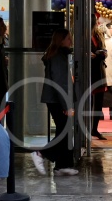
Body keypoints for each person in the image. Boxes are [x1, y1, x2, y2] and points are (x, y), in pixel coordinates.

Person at [32, 29, 79, 176]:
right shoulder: (58, 57)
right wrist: (67, 105)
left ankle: (62, 165)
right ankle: (43, 153)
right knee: (64, 131)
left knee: (64, 131)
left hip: (56, 99)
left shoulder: (58, 55)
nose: (71, 41)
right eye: (68, 38)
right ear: (61, 40)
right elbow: (60, 82)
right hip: (58, 100)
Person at [87, 17, 108, 139]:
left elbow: (104, 52)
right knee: (88, 102)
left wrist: (100, 54)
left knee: (98, 102)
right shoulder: (83, 35)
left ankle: (94, 129)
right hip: (89, 71)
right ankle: (87, 128)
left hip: (99, 71)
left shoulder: (98, 35)